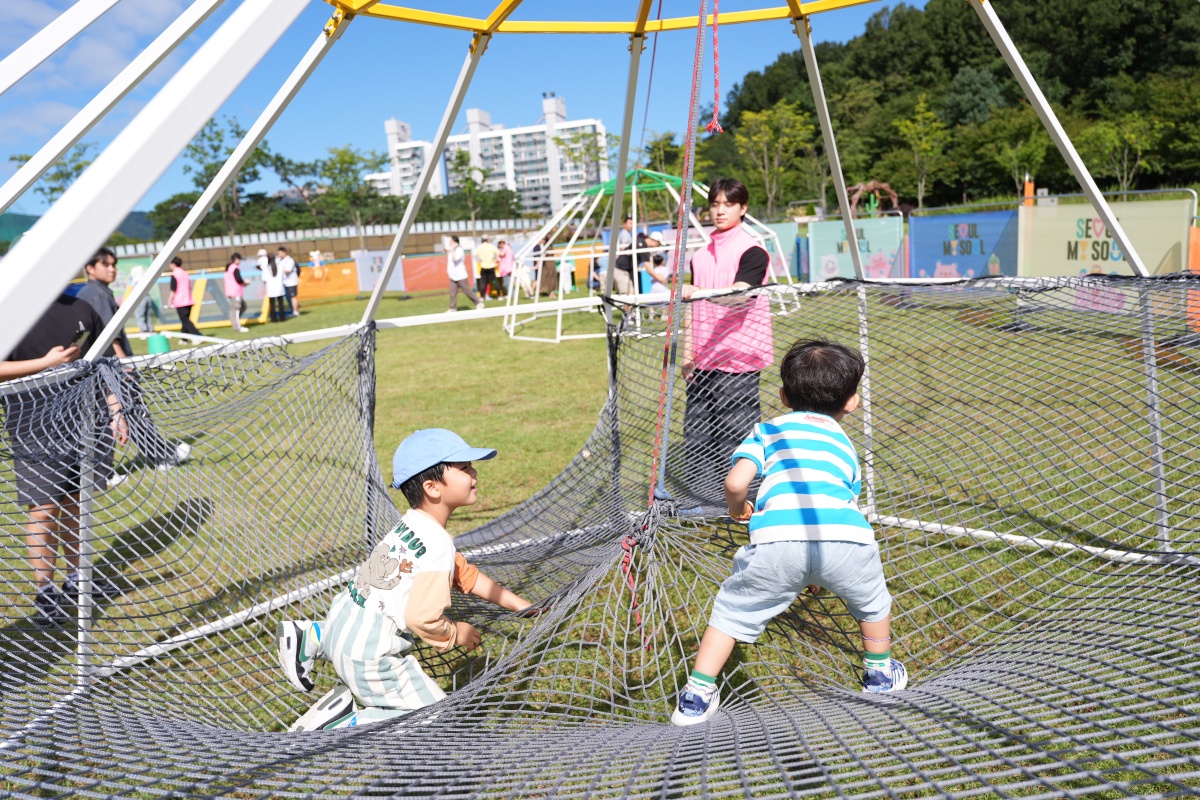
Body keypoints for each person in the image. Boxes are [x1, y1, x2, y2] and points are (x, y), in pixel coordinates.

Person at [671, 339, 908, 726]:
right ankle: (879, 673)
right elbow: (843, 500)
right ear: (852, 402)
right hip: (848, 541)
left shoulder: (766, 431)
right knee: (873, 603)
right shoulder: (845, 445)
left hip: (775, 545)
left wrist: (737, 509)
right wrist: (817, 567)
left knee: (730, 614)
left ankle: (696, 696)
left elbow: (735, 483)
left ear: (782, 396)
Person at [275, 429, 536, 729]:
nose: (474, 472)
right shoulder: (437, 544)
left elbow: (465, 575)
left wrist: (518, 605)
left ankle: (308, 635)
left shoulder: (411, 524)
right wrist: (456, 633)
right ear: (432, 488)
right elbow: (421, 618)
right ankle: (346, 722)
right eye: (464, 468)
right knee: (433, 718)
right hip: (371, 657)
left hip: (339, 624)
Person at [1, 294, 128, 628]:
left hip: (81, 421)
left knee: (74, 504)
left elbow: (103, 363)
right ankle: (46, 591)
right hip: (32, 427)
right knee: (44, 509)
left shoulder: (81, 307)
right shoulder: (10, 312)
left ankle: (76, 579)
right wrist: (44, 363)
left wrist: (116, 410)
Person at [679, 178, 773, 506]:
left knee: (736, 432)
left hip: (739, 357)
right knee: (697, 433)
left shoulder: (753, 250)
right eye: (715, 204)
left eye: (728, 205)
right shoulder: (699, 255)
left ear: (743, 208)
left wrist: (700, 293)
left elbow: (740, 295)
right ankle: (702, 500)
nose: (720, 211)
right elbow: (691, 308)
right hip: (703, 359)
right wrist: (688, 353)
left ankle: (746, 500)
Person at [76, 249, 189, 476]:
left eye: (114, 264)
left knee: (121, 414)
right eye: (105, 264)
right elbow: (109, 334)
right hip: (109, 367)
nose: (112, 269)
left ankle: (160, 455)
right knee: (127, 412)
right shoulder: (97, 294)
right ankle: (111, 471)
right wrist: (124, 366)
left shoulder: (91, 292)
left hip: (100, 367)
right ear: (90, 268)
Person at [446, 235, 484, 313]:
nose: (450, 242)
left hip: (461, 275)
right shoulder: (452, 250)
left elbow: (455, 259)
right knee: (452, 292)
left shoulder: (459, 250)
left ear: (454, 241)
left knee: (467, 290)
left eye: (451, 240)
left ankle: (478, 303)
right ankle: (452, 308)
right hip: (453, 276)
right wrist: (448, 251)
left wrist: (452, 250)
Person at [167, 256, 203, 337]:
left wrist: (169, 300)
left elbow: (173, 289)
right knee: (185, 320)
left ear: (173, 264)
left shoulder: (175, 274)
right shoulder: (184, 273)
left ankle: (197, 335)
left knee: (185, 319)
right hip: (188, 299)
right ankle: (184, 338)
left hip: (180, 300)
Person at [610, 217, 637, 296]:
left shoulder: (625, 234)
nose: (632, 226)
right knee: (627, 292)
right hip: (621, 265)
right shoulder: (625, 234)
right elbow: (623, 248)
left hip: (621, 265)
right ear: (624, 224)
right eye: (630, 223)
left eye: (632, 224)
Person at [127, 263, 157, 333]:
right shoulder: (144, 280)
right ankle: (150, 329)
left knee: (139, 316)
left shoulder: (136, 281)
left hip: (140, 300)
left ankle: (144, 330)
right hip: (147, 298)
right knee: (147, 316)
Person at [260, 249, 287, 323]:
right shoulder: (280, 266)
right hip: (279, 287)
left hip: (270, 288)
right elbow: (283, 276)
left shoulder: (266, 268)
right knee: (280, 303)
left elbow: (264, 279)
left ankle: (273, 318)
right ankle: (282, 317)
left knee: (272, 304)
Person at [224, 253, 249, 332]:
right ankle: (237, 327)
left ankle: (235, 323)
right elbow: (238, 279)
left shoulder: (229, 268)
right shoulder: (234, 268)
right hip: (236, 292)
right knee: (236, 309)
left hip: (231, 291)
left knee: (243, 306)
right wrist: (245, 282)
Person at [278, 246, 300, 317]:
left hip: (291, 282)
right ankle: (292, 310)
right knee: (288, 297)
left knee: (293, 296)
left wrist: (279, 270)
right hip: (284, 282)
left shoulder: (290, 260)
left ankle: (296, 311)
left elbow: (287, 270)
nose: (279, 255)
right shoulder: (280, 261)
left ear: (284, 252)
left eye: (280, 253)